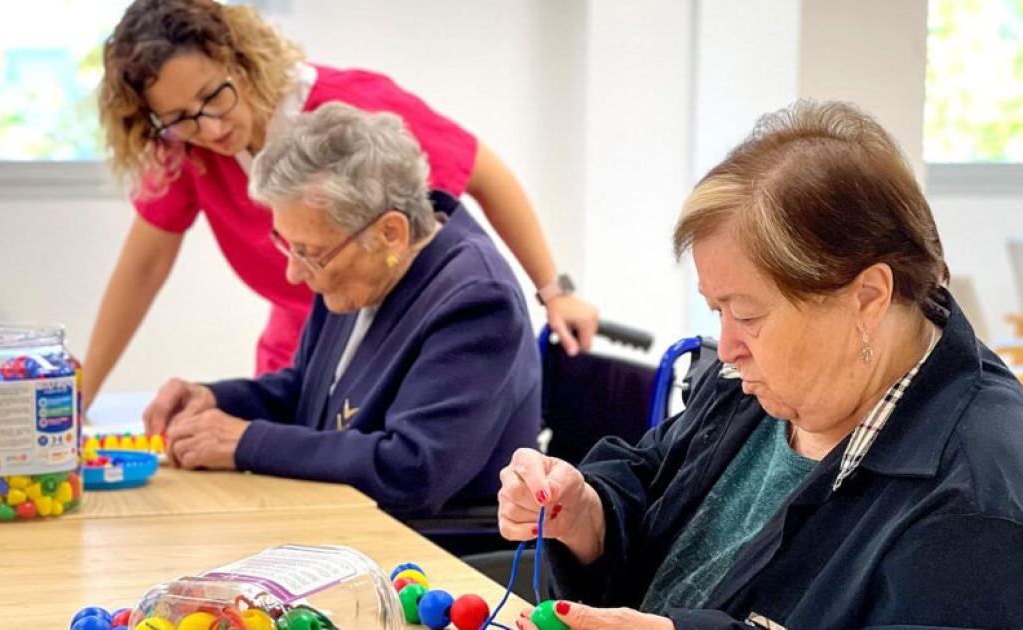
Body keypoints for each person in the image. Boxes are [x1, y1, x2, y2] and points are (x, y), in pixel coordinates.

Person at [499, 101, 1023, 629]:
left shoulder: (977, 493)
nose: (726, 347)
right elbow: (651, 483)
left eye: (747, 314)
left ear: (867, 297)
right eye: (717, 310)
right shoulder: (755, 385)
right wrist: (589, 515)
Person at [86, 0, 598, 411]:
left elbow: (483, 172)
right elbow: (144, 266)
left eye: (213, 96)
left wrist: (554, 290)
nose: (210, 128)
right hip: (302, 345)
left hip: (388, 338)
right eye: (180, 117)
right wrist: (84, 395)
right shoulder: (185, 150)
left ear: (237, 59)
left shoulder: (348, 106)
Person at [142, 103, 541, 515]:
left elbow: (412, 470)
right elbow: (309, 395)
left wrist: (245, 443)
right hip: (349, 522)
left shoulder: (478, 301)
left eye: (309, 253)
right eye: (288, 245)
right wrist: (214, 400)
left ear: (391, 233)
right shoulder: (357, 259)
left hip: (435, 553)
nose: (295, 273)